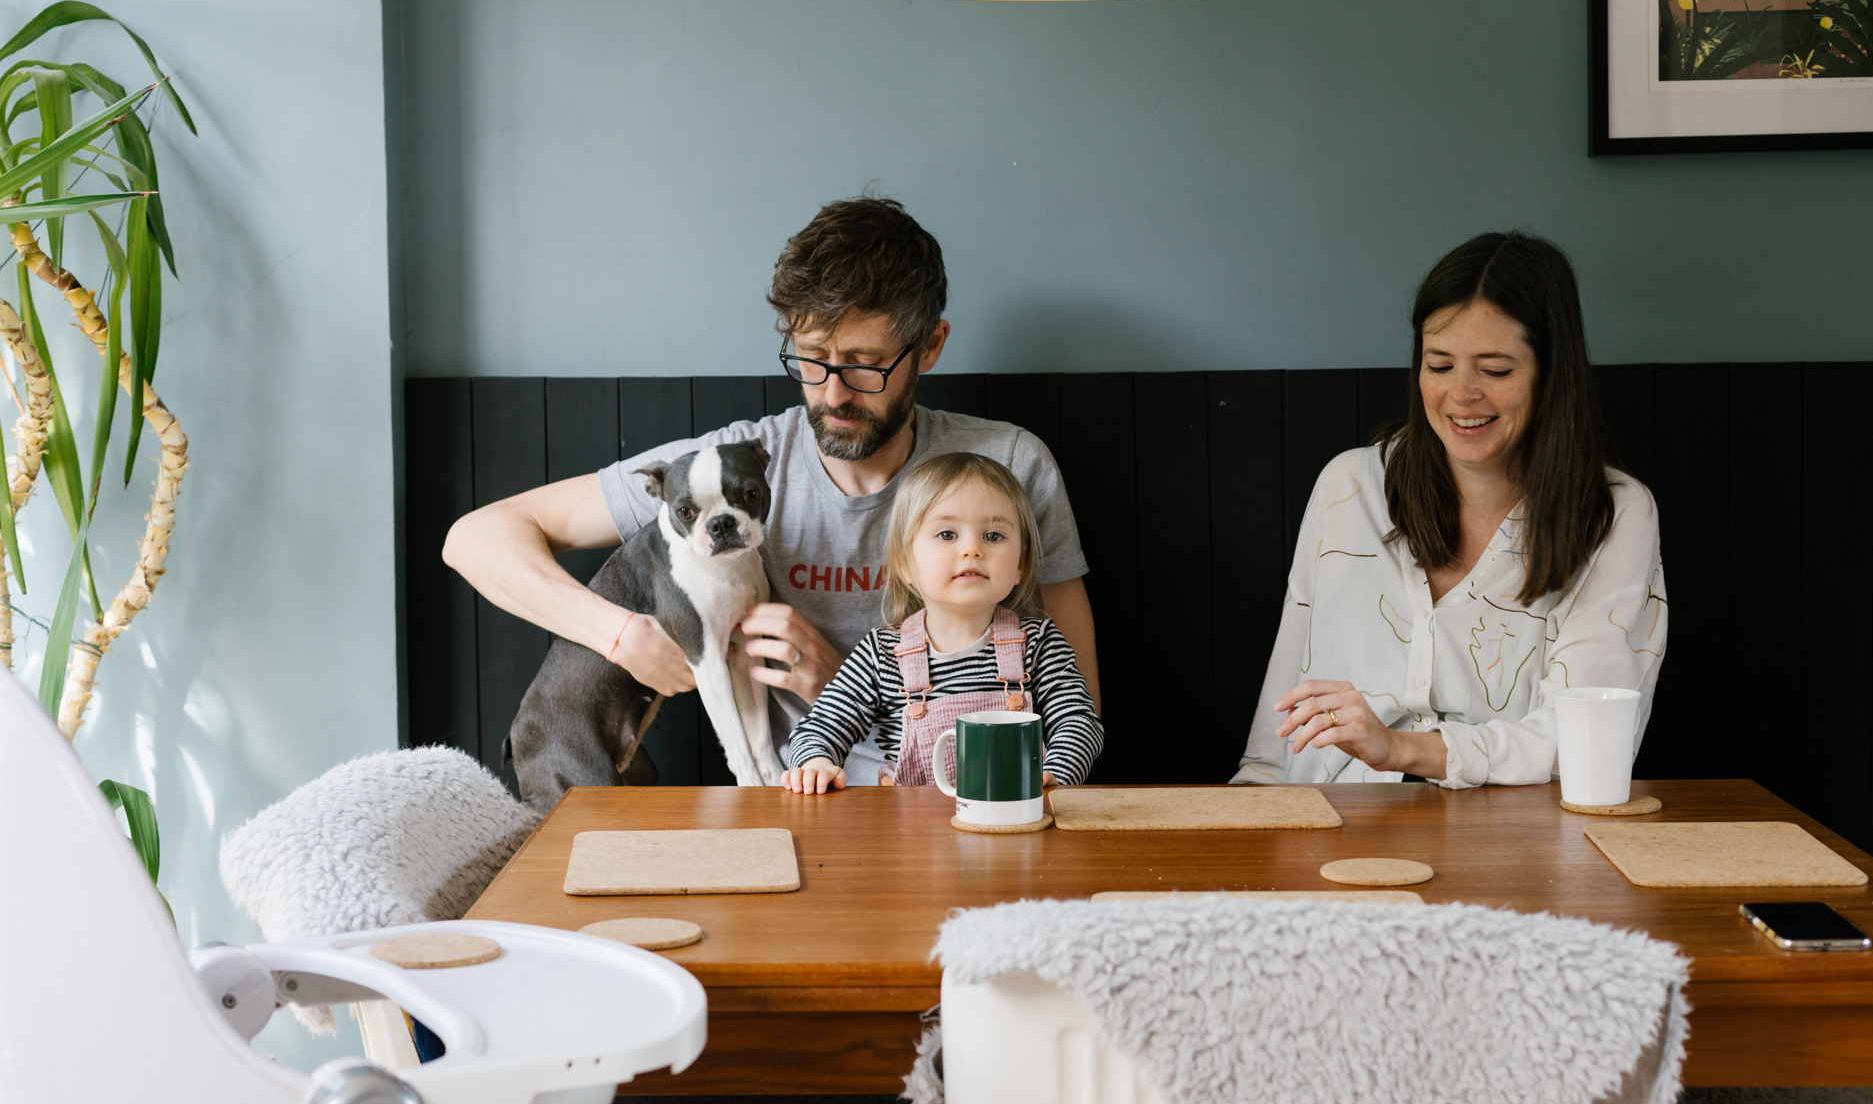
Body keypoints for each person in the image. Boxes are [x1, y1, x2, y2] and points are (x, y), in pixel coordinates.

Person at [443, 197, 1099, 785]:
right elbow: (475, 538)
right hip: (800, 804)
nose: (833, 392)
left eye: (865, 365)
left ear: (929, 347)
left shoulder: (1008, 466)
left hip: (972, 801)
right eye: (811, 358)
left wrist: (837, 680)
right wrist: (618, 636)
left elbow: (1079, 708)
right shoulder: (731, 466)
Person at [1234, 231, 1666, 788]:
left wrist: (1403, 750)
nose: (1461, 394)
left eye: (1496, 370)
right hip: (1326, 828)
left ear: (1551, 376)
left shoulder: (1615, 514)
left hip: (1511, 850)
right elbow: (1280, 727)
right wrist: (1251, 808)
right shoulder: (1349, 485)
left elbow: (1585, 740)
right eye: (1440, 366)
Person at [783, 452, 1103, 793]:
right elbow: (818, 728)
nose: (972, 549)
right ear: (905, 564)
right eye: (948, 534)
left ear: (1020, 564)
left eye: (993, 536)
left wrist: (1056, 773)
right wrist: (815, 763)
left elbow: (1079, 723)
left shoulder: (1038, 642)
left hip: (1018, 823)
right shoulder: (882, 654)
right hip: (914, 837)